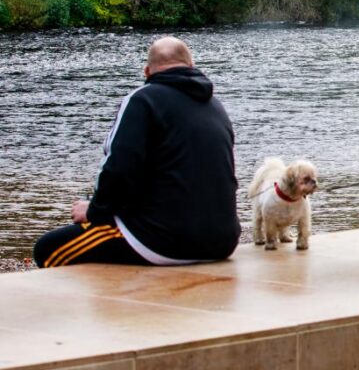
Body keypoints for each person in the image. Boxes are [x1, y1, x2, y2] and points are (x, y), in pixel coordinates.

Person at [32, 37, 241, 267]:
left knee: (47, 248)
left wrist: (92, 211)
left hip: (162, 242)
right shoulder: (216, 106)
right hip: (222, 241)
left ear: (147, 71)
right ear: (191, 66)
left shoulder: (141, 100)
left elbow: (118, 171)